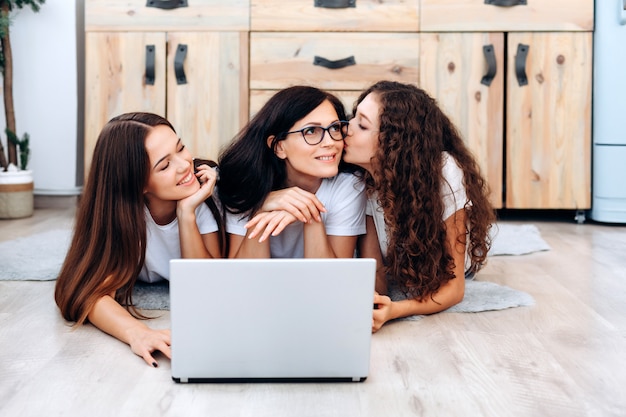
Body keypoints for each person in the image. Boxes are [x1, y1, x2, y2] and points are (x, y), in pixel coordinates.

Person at [54, 112, 224, 367]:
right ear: (138, 183)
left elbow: (207, 284)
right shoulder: (123, 215)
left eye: (181, 148)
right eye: (164, 165)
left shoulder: (204, 192)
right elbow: (89, 293)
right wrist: (138, 333)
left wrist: (187, 212)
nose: (184, 165)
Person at [342, 80, 495, 332]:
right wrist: (376, 304)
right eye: (352, 118)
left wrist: (397, 310)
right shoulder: (361, 180)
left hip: (448, 268)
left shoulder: (443, 171)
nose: (346, 129)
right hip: (401, 266)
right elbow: (377, 269)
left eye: (362, 124)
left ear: (393, 141)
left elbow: (454, 289)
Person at [217, 85, 366, 258]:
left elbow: (329, 280)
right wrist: (261, 210)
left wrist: (311, 215)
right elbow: (242, 278)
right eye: (311, 131)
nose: (330, 142)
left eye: (334, 128)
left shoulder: (349, 185)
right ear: (279, 146)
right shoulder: (245, 182)